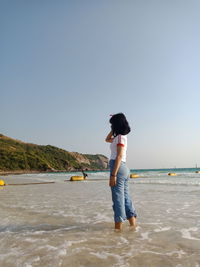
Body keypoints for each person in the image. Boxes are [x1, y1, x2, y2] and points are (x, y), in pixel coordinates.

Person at [105, 113, 137, 232]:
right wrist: (112, 129)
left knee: (118, 199)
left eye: (113, 124)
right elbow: (107, 139)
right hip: (123, 168)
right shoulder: (119, 137)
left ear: (116, 124)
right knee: (126, 198)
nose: (112, 126)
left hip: (118, 167)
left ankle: (118, 230)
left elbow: (118, 156)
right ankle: (133, 226)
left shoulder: (119, 138)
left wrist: (113, 175)